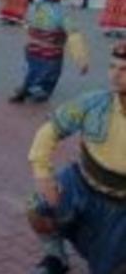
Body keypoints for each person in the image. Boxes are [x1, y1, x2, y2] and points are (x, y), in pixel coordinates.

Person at [25, 42, 126, 274]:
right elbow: (49, 130)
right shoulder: (94, 103)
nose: (115, 75)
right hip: (82, 184)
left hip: (121, 204)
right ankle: (56, 258)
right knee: (37, 206)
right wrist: (43, 175)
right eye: (112, 67)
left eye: (124, 69)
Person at [9, 0, 89, 104]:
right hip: (51, 53)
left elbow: (26, 25)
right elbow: (74, 37)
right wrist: (81, 60)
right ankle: (38, 90)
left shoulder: (35, 8)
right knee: (49, 74)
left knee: (32, 69)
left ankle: (27, 86)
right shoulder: (62, 13)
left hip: (32, 49)